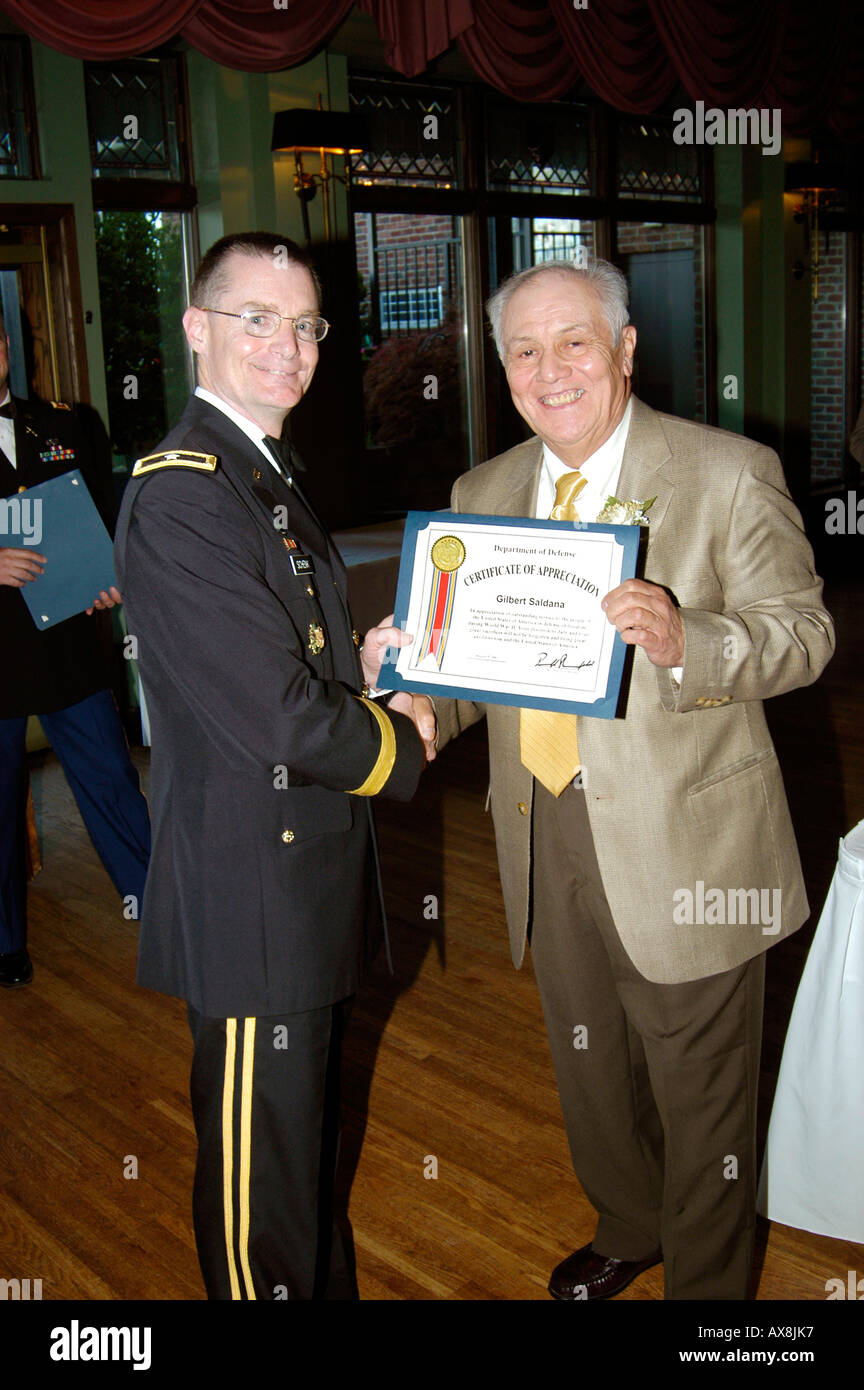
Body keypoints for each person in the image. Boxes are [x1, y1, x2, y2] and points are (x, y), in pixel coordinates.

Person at [433, 257, 835, 1300]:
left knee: (702, 1092)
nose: (549, 368)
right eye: (524, 349)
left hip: (688, 837)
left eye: (574, 341)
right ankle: (629, 1219)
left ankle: (707, 1302)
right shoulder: (483, 491)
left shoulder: (728, 471)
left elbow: (806, 635)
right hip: (541, 824)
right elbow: (487, 665)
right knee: (591, 1060)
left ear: (624, 348)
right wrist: (428, 693)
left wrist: (687, 639)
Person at [114, 231, 434, 1301]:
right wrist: (402, 740)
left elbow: (280, 650)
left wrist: (365, 658)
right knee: (262, 1188)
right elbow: (276, 714)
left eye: (304, 324)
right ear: (198, 327)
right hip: (255, 892)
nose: (286, 345)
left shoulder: (256, 466)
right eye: (257, 317)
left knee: (298, 1153)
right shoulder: (187, 488)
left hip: (296, 875)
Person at [0, 314, 151, 988]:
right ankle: (4, 944)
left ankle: (158, 905)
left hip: (67, 640)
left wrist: (109, 573)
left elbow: (103, 514)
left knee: (113, 781)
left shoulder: (66, 423)